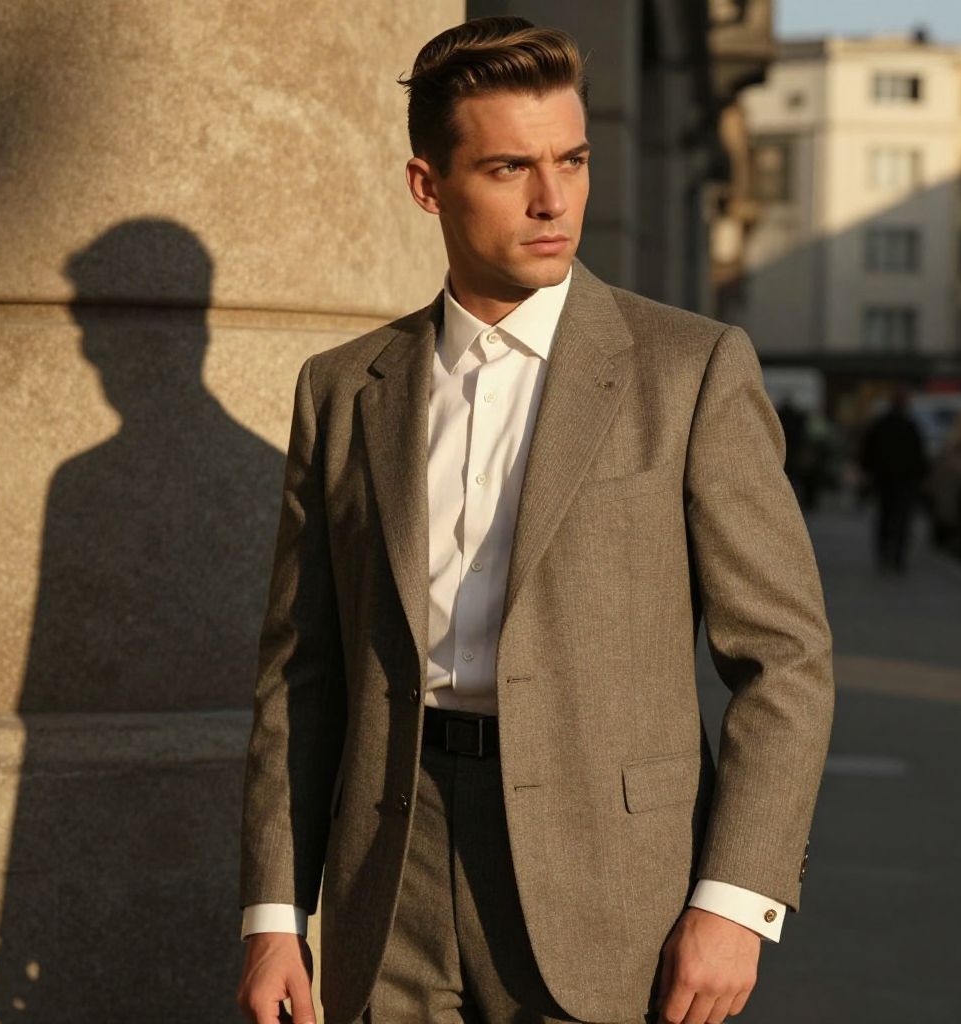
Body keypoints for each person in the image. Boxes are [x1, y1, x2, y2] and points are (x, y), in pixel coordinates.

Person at [236, 17, 834, 1024]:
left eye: (572, 160)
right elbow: (303, 673)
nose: (553, 200)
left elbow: (785, 656)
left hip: (610, 886)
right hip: (395, 864)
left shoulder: (688, 370)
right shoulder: (344, 390)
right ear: (428, 185)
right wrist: (271, 911)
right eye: (511, 166)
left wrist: (734, 899)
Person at [858, 388, 927, 572]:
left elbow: (868, 452)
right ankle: (895, 557)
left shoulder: (883, 424)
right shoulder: (908, 425)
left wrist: (867, 472)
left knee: (887, 518)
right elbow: (919, 456)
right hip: (900, 480)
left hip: (887, 479)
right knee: (899, 519)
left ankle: (888, 554)